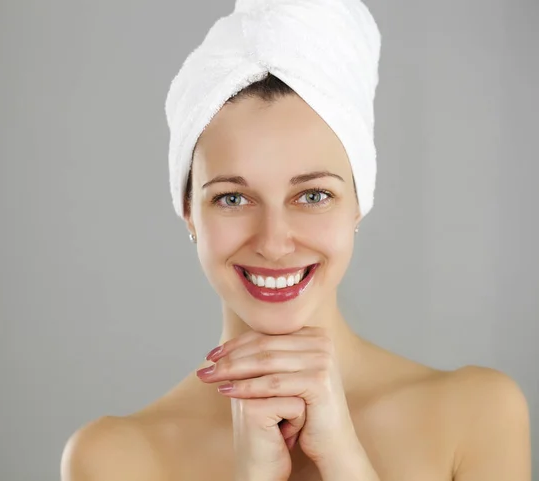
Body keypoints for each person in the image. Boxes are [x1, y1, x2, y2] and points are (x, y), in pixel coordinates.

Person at [60, 2, 531, 481]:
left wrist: (344, 459)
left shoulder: (477, 416)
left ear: (357, 204)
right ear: (189, 213)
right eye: (232, 199)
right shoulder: (113, 459)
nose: (274, 242)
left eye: (313, 195)